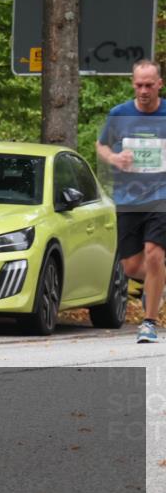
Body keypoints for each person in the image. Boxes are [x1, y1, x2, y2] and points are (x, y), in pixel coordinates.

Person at [96, 58, 166, 343]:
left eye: (150, 84)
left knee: (154, 254)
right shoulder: (119, 114)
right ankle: (158, 280)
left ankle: (148, 322)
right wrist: (115, 157)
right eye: (139, 84)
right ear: (132, 84)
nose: (144, 90)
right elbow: (101, 146)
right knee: (130, 267)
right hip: (128, 198)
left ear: (160, 84)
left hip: (161, 197)